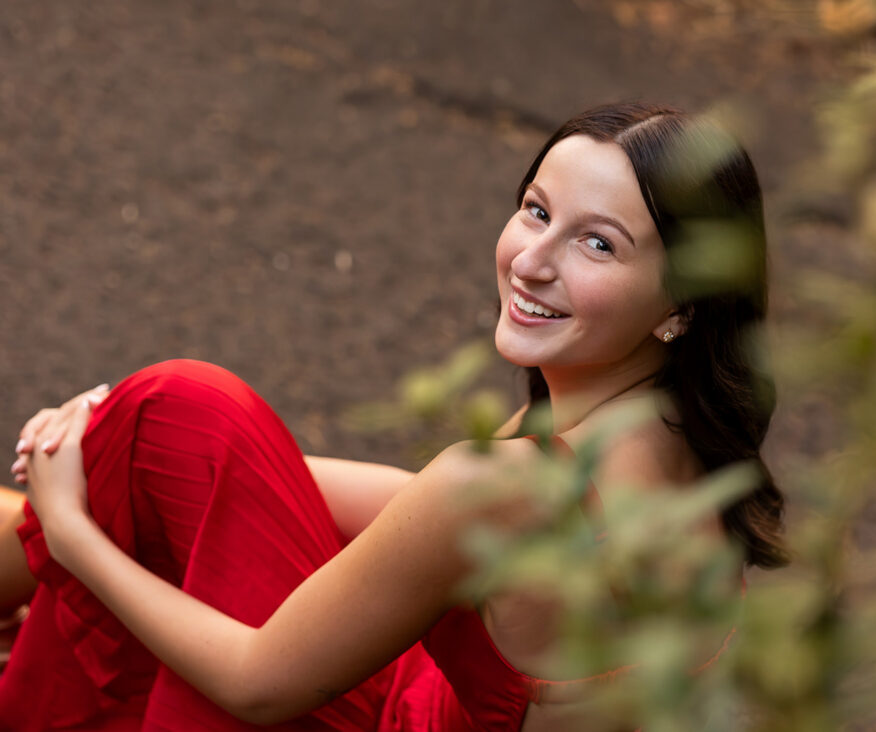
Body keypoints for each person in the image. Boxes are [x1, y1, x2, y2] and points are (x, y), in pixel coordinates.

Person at [1, 102, 787, 731]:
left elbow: (257, 688)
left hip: (360, 701)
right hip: (410, 679)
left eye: (598, 245)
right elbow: (431, 516)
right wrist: (244, 470)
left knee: (136, 447)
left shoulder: (508, 484)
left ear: (682, 304)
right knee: (180, 423)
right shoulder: (679, 440)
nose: (532, 260)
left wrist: (73, 533)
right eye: (537, 211)